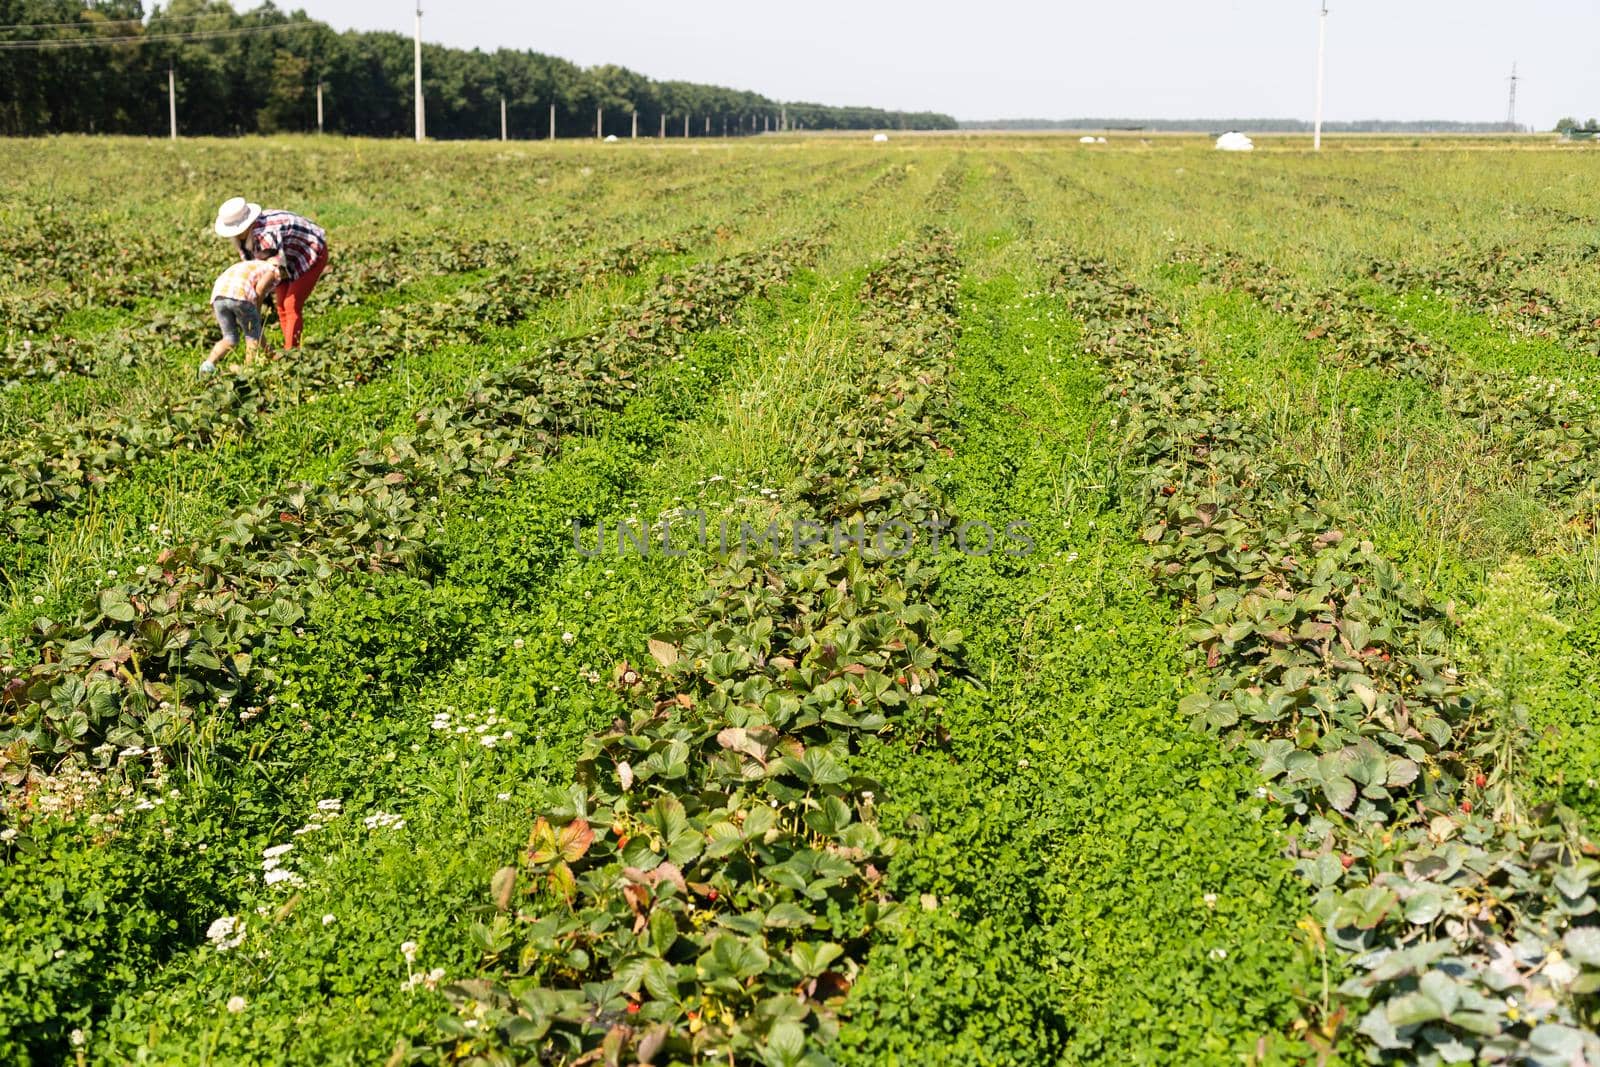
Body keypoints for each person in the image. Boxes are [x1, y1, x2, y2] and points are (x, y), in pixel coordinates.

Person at [212, 197, 328, 351]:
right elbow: (253, 267)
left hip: (308, 251)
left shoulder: (265, 235)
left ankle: (291, 353)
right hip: (283, 257)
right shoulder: (242, 238)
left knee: (291, 305)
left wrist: (256, 307)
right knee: (281, 306)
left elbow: (272, 273)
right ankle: (289, 347)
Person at [200, 259, 280, 374]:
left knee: (229, 337)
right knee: (252, 337)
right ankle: (248, 372)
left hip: (218, 296)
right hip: (240, 295)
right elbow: (261, 288)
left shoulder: (249, 264)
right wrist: (257, 309)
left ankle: (207, 366)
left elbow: (258, 332)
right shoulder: (272, 269)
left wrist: (270, 353)